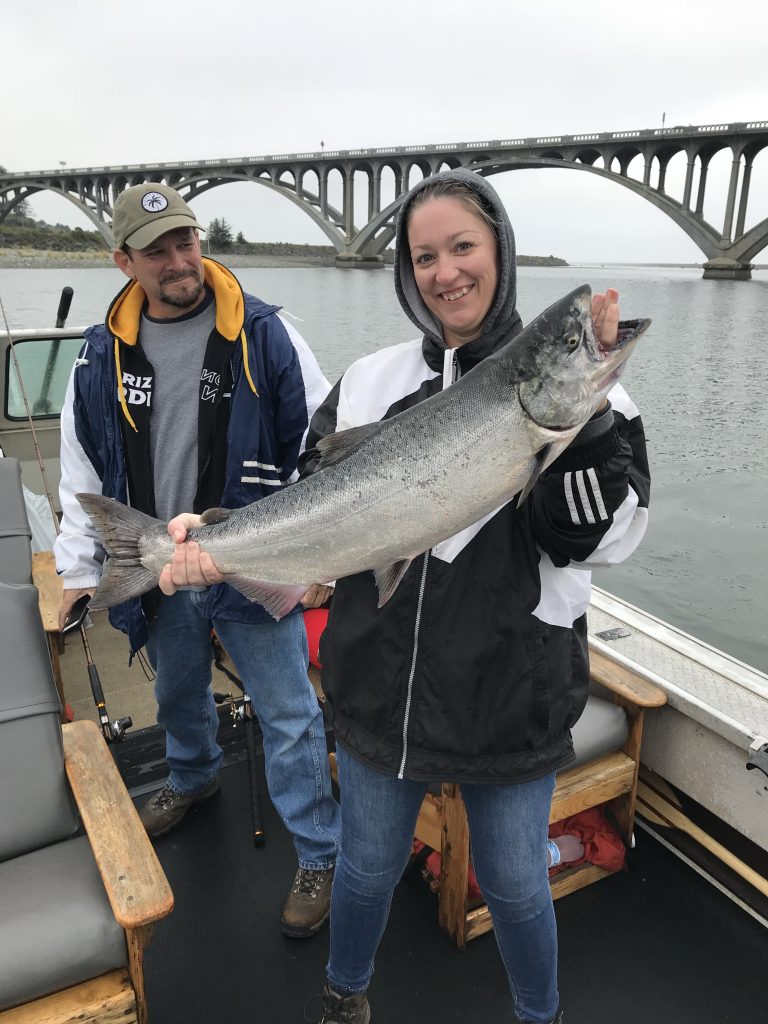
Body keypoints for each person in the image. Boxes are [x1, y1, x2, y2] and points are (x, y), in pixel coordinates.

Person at [159, 169, 651, 1023]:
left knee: (516, 883)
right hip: (381, 687)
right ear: (406, 272)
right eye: (425, 255)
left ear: (498, 248)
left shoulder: (603, 408)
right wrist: (220, 536)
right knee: (364, 863)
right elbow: (314, 503)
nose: (446, 271)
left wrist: (588, 428)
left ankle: (540, 1016)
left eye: (463, 246)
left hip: (510, 695)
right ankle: (345, 997)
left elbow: (606, 542)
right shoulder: (369, 381)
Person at [53, 182, 341, 940]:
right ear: (123, 261)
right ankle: (192, 776)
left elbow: (321, 445)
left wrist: (320, 552)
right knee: (177, 687)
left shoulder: (266, 334)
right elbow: (81, 471)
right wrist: (79, 572)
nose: (179, 260)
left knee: (288, 712)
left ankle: (319, 852)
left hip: (256, 551)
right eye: (158, 251)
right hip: (160, 561)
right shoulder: (98, 356)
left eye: (187, 241)